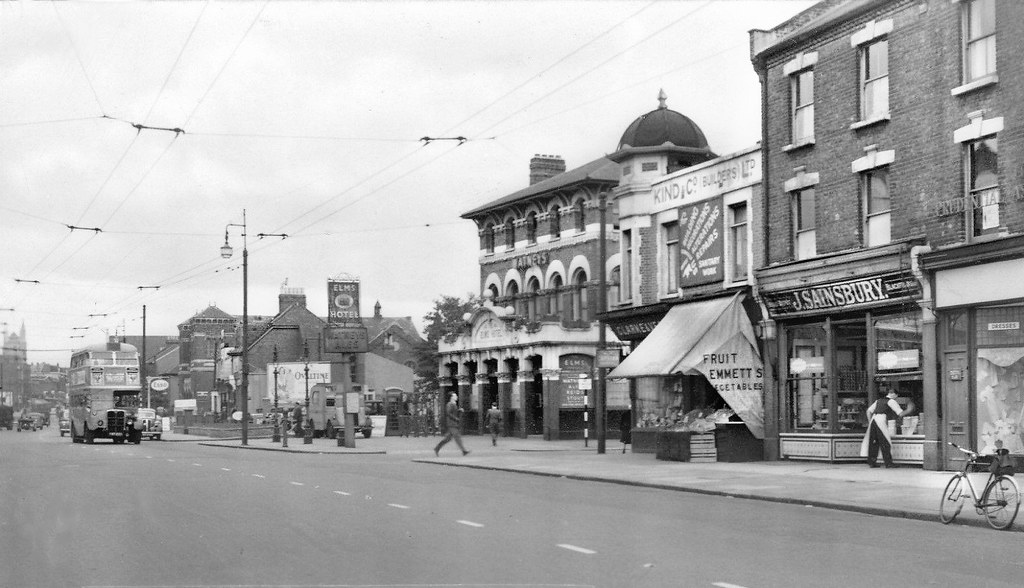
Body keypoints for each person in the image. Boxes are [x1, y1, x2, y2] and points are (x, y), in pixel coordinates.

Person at [860, 389, 910, 468]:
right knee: (885, 441)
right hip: (881, 420)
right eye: (896, 396)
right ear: (894, 394)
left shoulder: (878, 400)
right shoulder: (891, 401)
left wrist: (870, 422)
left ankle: (872, 462)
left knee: (874, 441)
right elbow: (900, 413)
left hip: (873, 419)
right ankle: (888, 463)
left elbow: (868, 411)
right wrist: (909, 409)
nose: (896, 398)